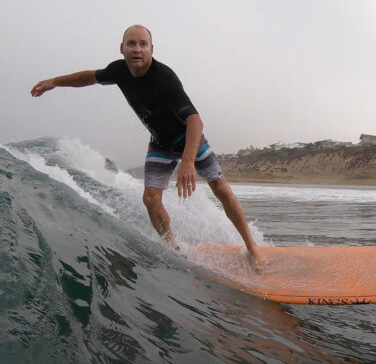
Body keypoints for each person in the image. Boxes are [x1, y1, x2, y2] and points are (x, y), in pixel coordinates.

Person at [31, 24, 265, 269]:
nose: (137, 49)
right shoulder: (118, 71)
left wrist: (187, 161)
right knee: (151, 199)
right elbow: (89, 77)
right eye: (131, 43)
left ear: (152, 49)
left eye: (143, 44)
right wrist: (54, 82)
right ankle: (173, 246)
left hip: (187, 138)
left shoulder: (165, 78)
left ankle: (252, 249)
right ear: (122, 48)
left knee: (220, 187)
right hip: (160, 143)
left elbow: (195, 121)